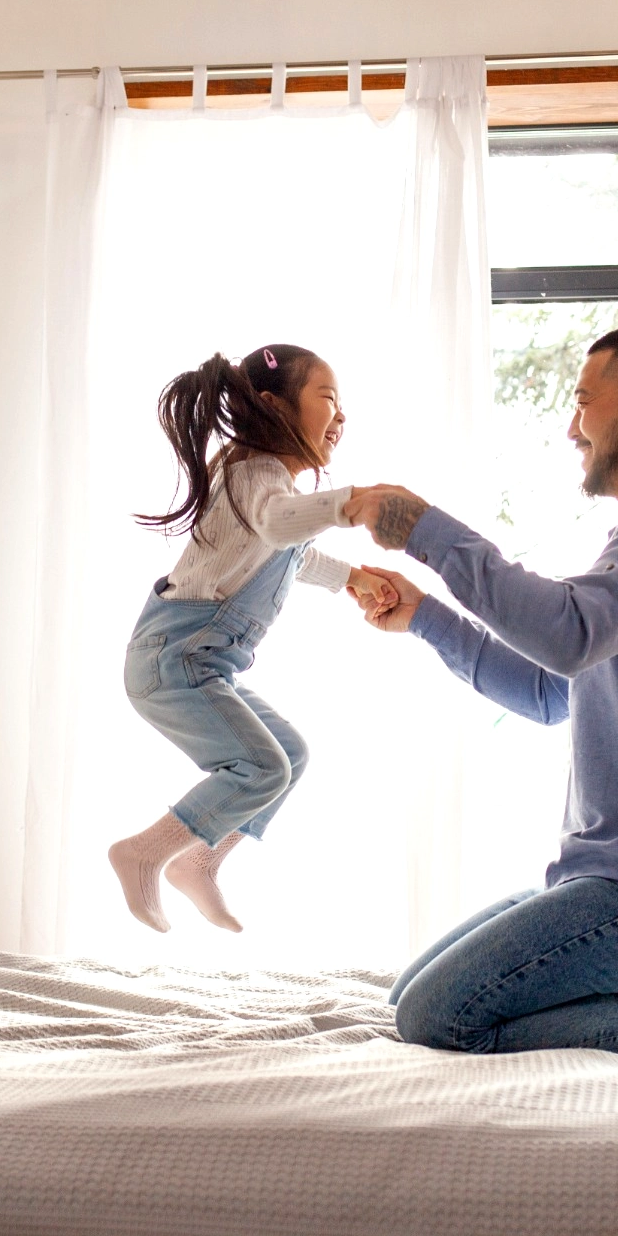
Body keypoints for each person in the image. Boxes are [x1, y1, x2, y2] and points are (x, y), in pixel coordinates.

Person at [345, 322, 618, 1068]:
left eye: (583, 402)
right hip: (614, 880)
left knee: (440, 1016)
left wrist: (424, 530)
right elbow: (548, 688)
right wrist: (424, 615)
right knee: (409, 996)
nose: (573, 426)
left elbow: (566, 634)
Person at [108, 345, 399, 934]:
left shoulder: (267, 487)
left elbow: (290, 548)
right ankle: (143, 852)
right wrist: (352, 503)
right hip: (176, 658)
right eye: (329, 400)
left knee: (288, 755)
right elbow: (279, 525)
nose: (340, 418)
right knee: (261, 766)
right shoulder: (253, 477)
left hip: (198, 661)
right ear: (274, 407)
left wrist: (352, 579)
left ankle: (201, 861)